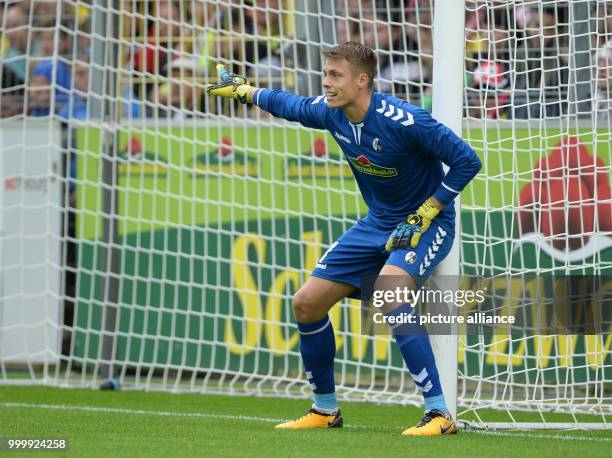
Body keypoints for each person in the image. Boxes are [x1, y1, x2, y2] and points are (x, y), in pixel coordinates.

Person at [205, 42, 481, 436]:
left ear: (362, 81)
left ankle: (439, 413)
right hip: (378, 223)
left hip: (427, 224)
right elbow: (292, 105)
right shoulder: (332, 113)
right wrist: (245, 91)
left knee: (389, 292)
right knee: (306, 303)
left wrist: (426, 212)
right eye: (326, 74)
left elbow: (468, 162)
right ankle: (325, 410)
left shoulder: (406, 121)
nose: (326, 83)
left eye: (335, 75)